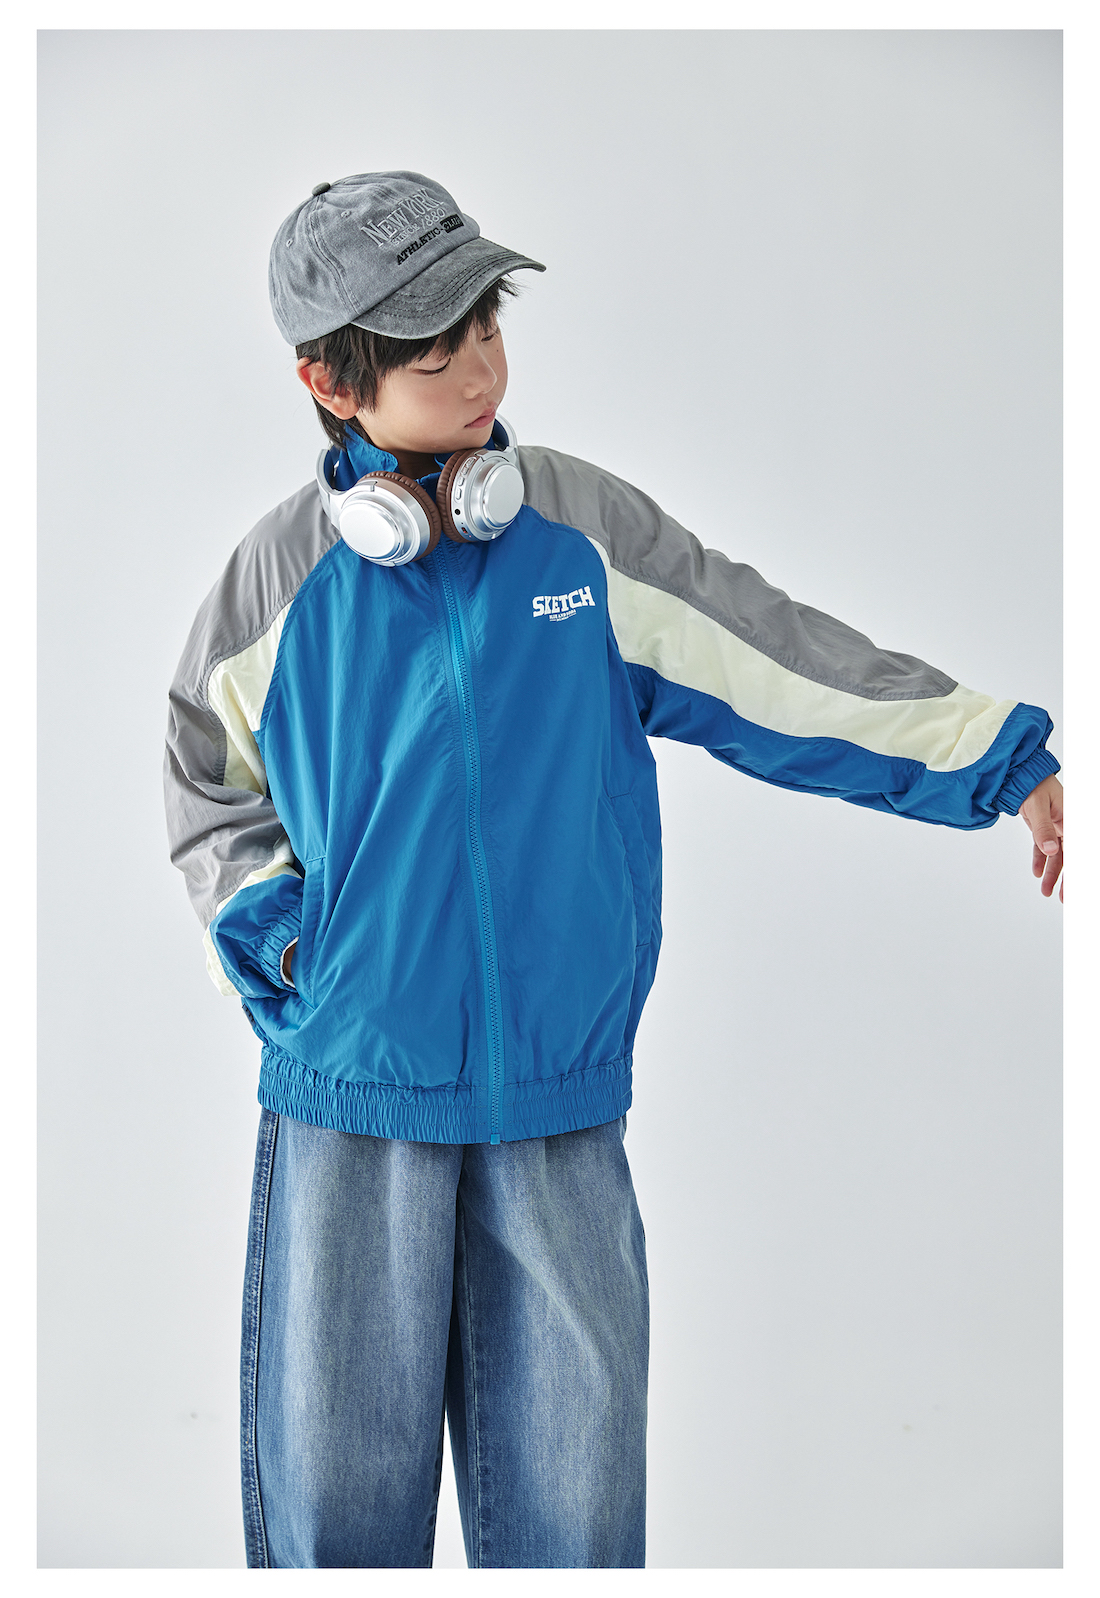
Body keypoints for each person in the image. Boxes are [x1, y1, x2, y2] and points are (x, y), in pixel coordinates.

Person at [163, 170, 1063, 1570]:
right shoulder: (277, 586)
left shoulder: (581, 538)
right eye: (432, 351)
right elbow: (208, 783)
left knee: (576, 1529)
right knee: (336, 1523)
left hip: (559, 1107)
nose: (479, 370)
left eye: (486, 326)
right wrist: (286, 942)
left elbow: (775, 662)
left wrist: (986, 755)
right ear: (329, 383)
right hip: (352, 1108)